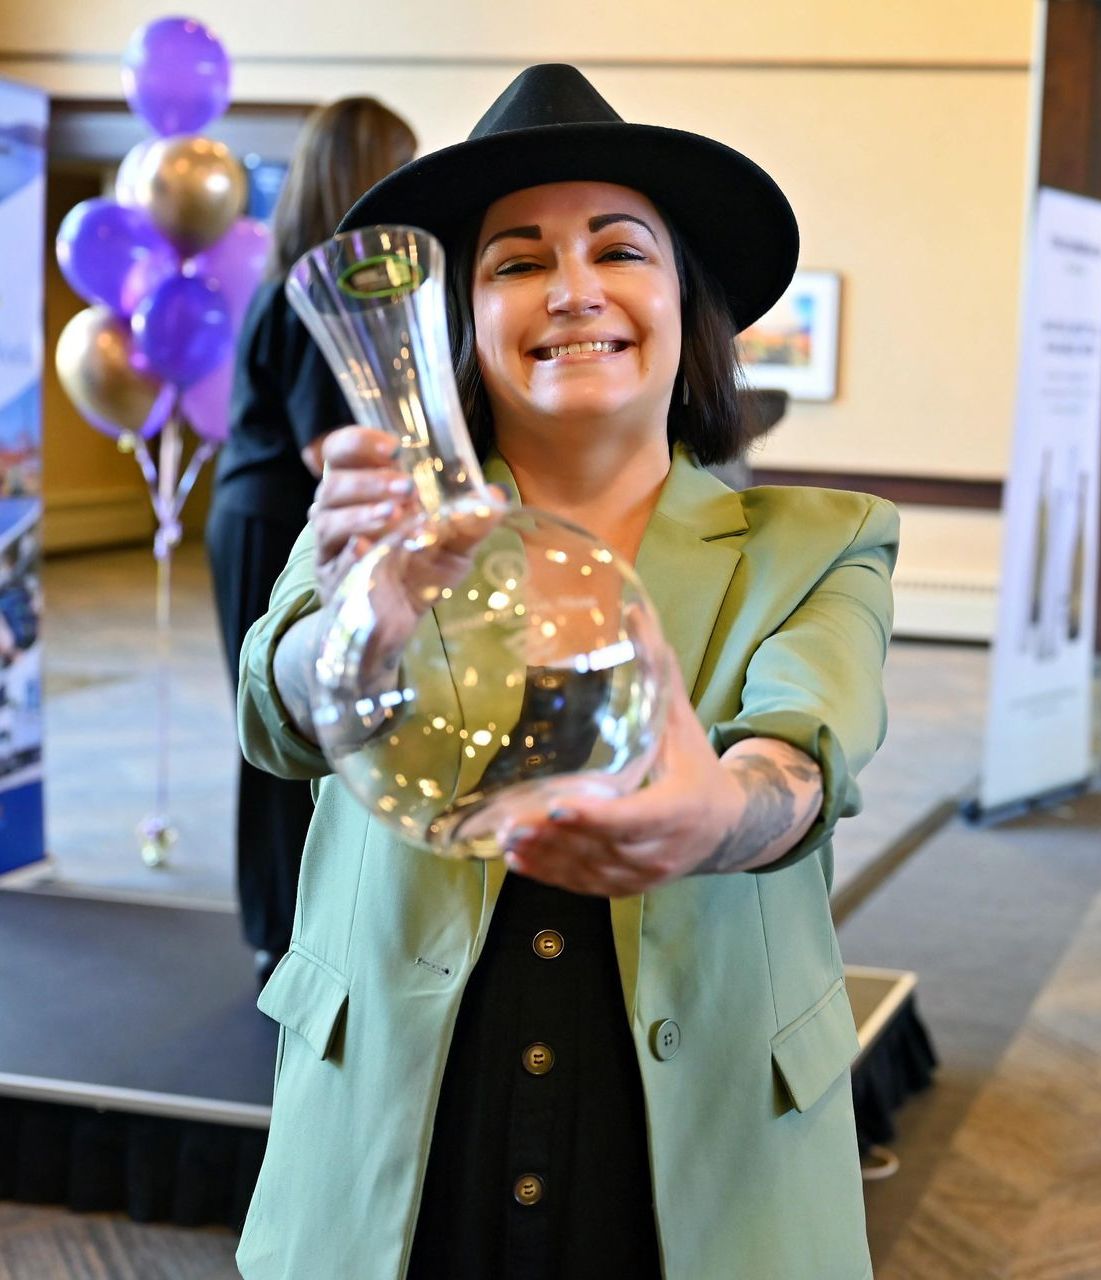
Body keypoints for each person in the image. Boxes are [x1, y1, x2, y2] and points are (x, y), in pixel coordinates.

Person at [235, 65, 897, 1280]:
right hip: (407, 1117)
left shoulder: (824, 540)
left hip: (689, 1151)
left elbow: (803, 752)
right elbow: (271, 706)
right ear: (466, 324)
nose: (572, 289)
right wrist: (352, 630)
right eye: (518, 261)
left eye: (618, 249)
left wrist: (715, 815)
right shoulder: (375, 524)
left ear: (685, 299)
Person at [204, 97, 416, 984]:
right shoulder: (314, 291)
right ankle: (284, 933)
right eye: (401, 164)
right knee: (281, 733)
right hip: (269, 519)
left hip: (260, 512)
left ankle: (284, 923)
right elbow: (327, 445)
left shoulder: (295, 279)